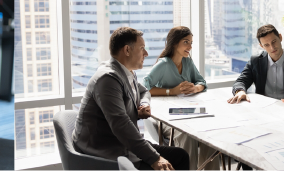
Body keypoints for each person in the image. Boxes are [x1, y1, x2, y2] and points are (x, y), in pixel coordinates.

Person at [72, 26, 189, 171]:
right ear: (127, 50)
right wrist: (154, 158)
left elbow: (144, 91)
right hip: (108, 151)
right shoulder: (108, 78)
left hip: (122, 144)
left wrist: (143, 104)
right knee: (170, 162)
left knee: (181, 156)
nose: (146, 53)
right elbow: (121, 125)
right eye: (142, 48)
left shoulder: (126, 72)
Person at [141, 26, 208, 171]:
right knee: (187, 134)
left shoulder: (188, 62)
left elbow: (202, 82)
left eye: (191, 42)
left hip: (188, 112)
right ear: (174, 43)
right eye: (186, 42)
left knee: (208, 130)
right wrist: (171, 91)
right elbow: (144, 88)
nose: (190, 46)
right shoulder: (163, 65)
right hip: (167, 117)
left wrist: (195, 88)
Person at [228, 24, 284, 103]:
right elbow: (241, 81)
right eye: (266, 45)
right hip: (265, 111)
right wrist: (240, 91)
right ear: (261, 46)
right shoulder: (255, 61)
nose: (272, 48)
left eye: (274, 41)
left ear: (280, 37)